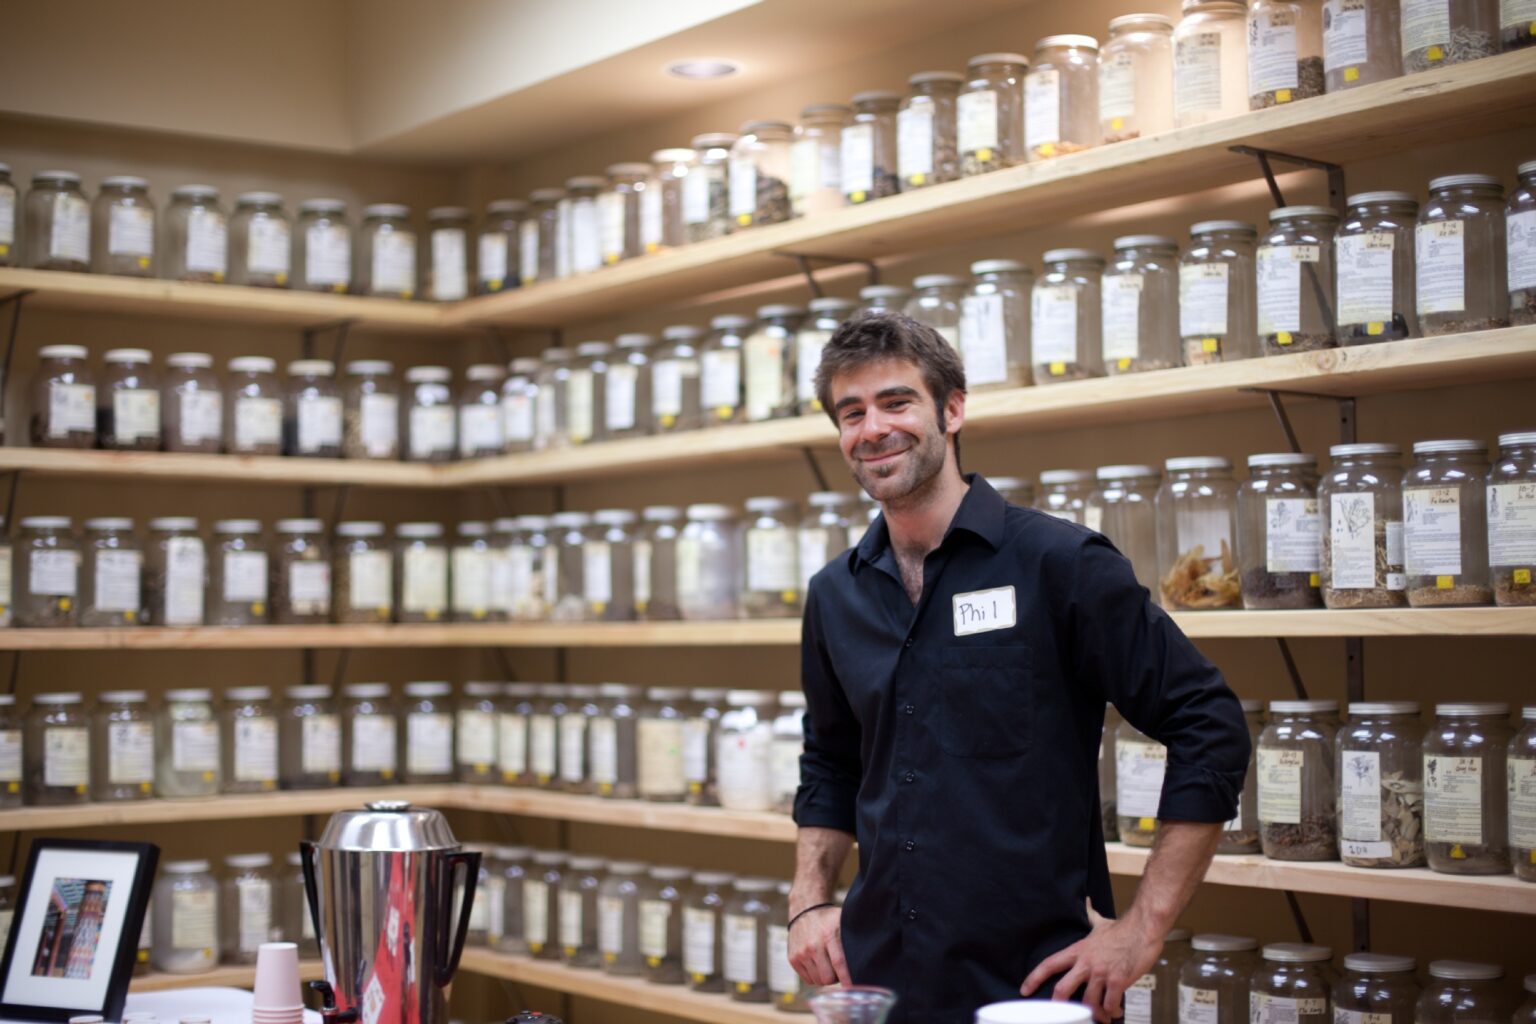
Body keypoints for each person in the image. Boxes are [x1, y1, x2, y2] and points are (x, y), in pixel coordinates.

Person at [786, 312, 1250, 1024]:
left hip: (1038, 986)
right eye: (852, 413)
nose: (873, 429)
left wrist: (1142, 929)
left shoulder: (1060, 564)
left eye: (896, 402)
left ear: (952, 408)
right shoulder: (834, 595)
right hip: (879, 979)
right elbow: (830, 762)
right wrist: (809, 901)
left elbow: (1209, 724)